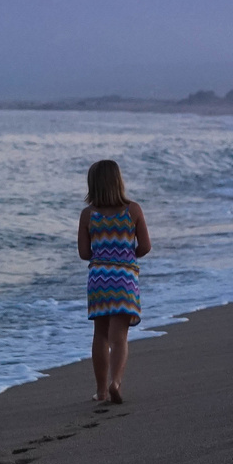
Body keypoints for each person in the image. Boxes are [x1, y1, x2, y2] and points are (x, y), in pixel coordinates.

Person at [79, 159, 149, 405]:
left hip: (99, 279)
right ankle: (116, 382)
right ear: (119, 181)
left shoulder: (88, 215)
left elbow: (84, 253)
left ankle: (101, 391)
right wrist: (128, 255)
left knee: (100, 334)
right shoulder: (134, 210)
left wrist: (104, 254)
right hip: (125, 278)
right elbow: (146, 246)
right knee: (119, 336)